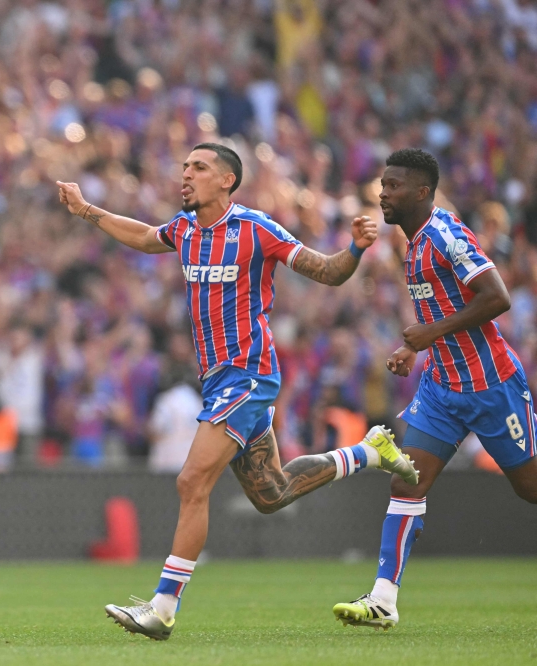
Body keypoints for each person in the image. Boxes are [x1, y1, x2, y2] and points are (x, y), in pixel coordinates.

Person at [56, 142, 419, 641]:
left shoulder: (256, 229)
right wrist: (87, 211)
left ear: (226, 180)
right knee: (272, 492)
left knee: (191, 481)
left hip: (249, 375)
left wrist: (355, 248)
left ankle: (162, 608)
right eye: (183, 166)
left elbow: (326, 272)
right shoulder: (184, 230)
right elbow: (143, 237)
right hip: (217, 381)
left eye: (198, 168)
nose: (185, 174)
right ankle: (369, 453)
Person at [332, 148, 537, 629]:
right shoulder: (413, 242)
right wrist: (417, 347)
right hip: (442, 387)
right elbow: (444, 308)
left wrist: (431, 333)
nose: (384, 192)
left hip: (492, 387)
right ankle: (384, 599)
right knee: (406, 479)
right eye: (383, 184)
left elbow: (497, 297)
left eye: (395, 185)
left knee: (531, 489)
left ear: (422, 192)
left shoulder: (446, 233)